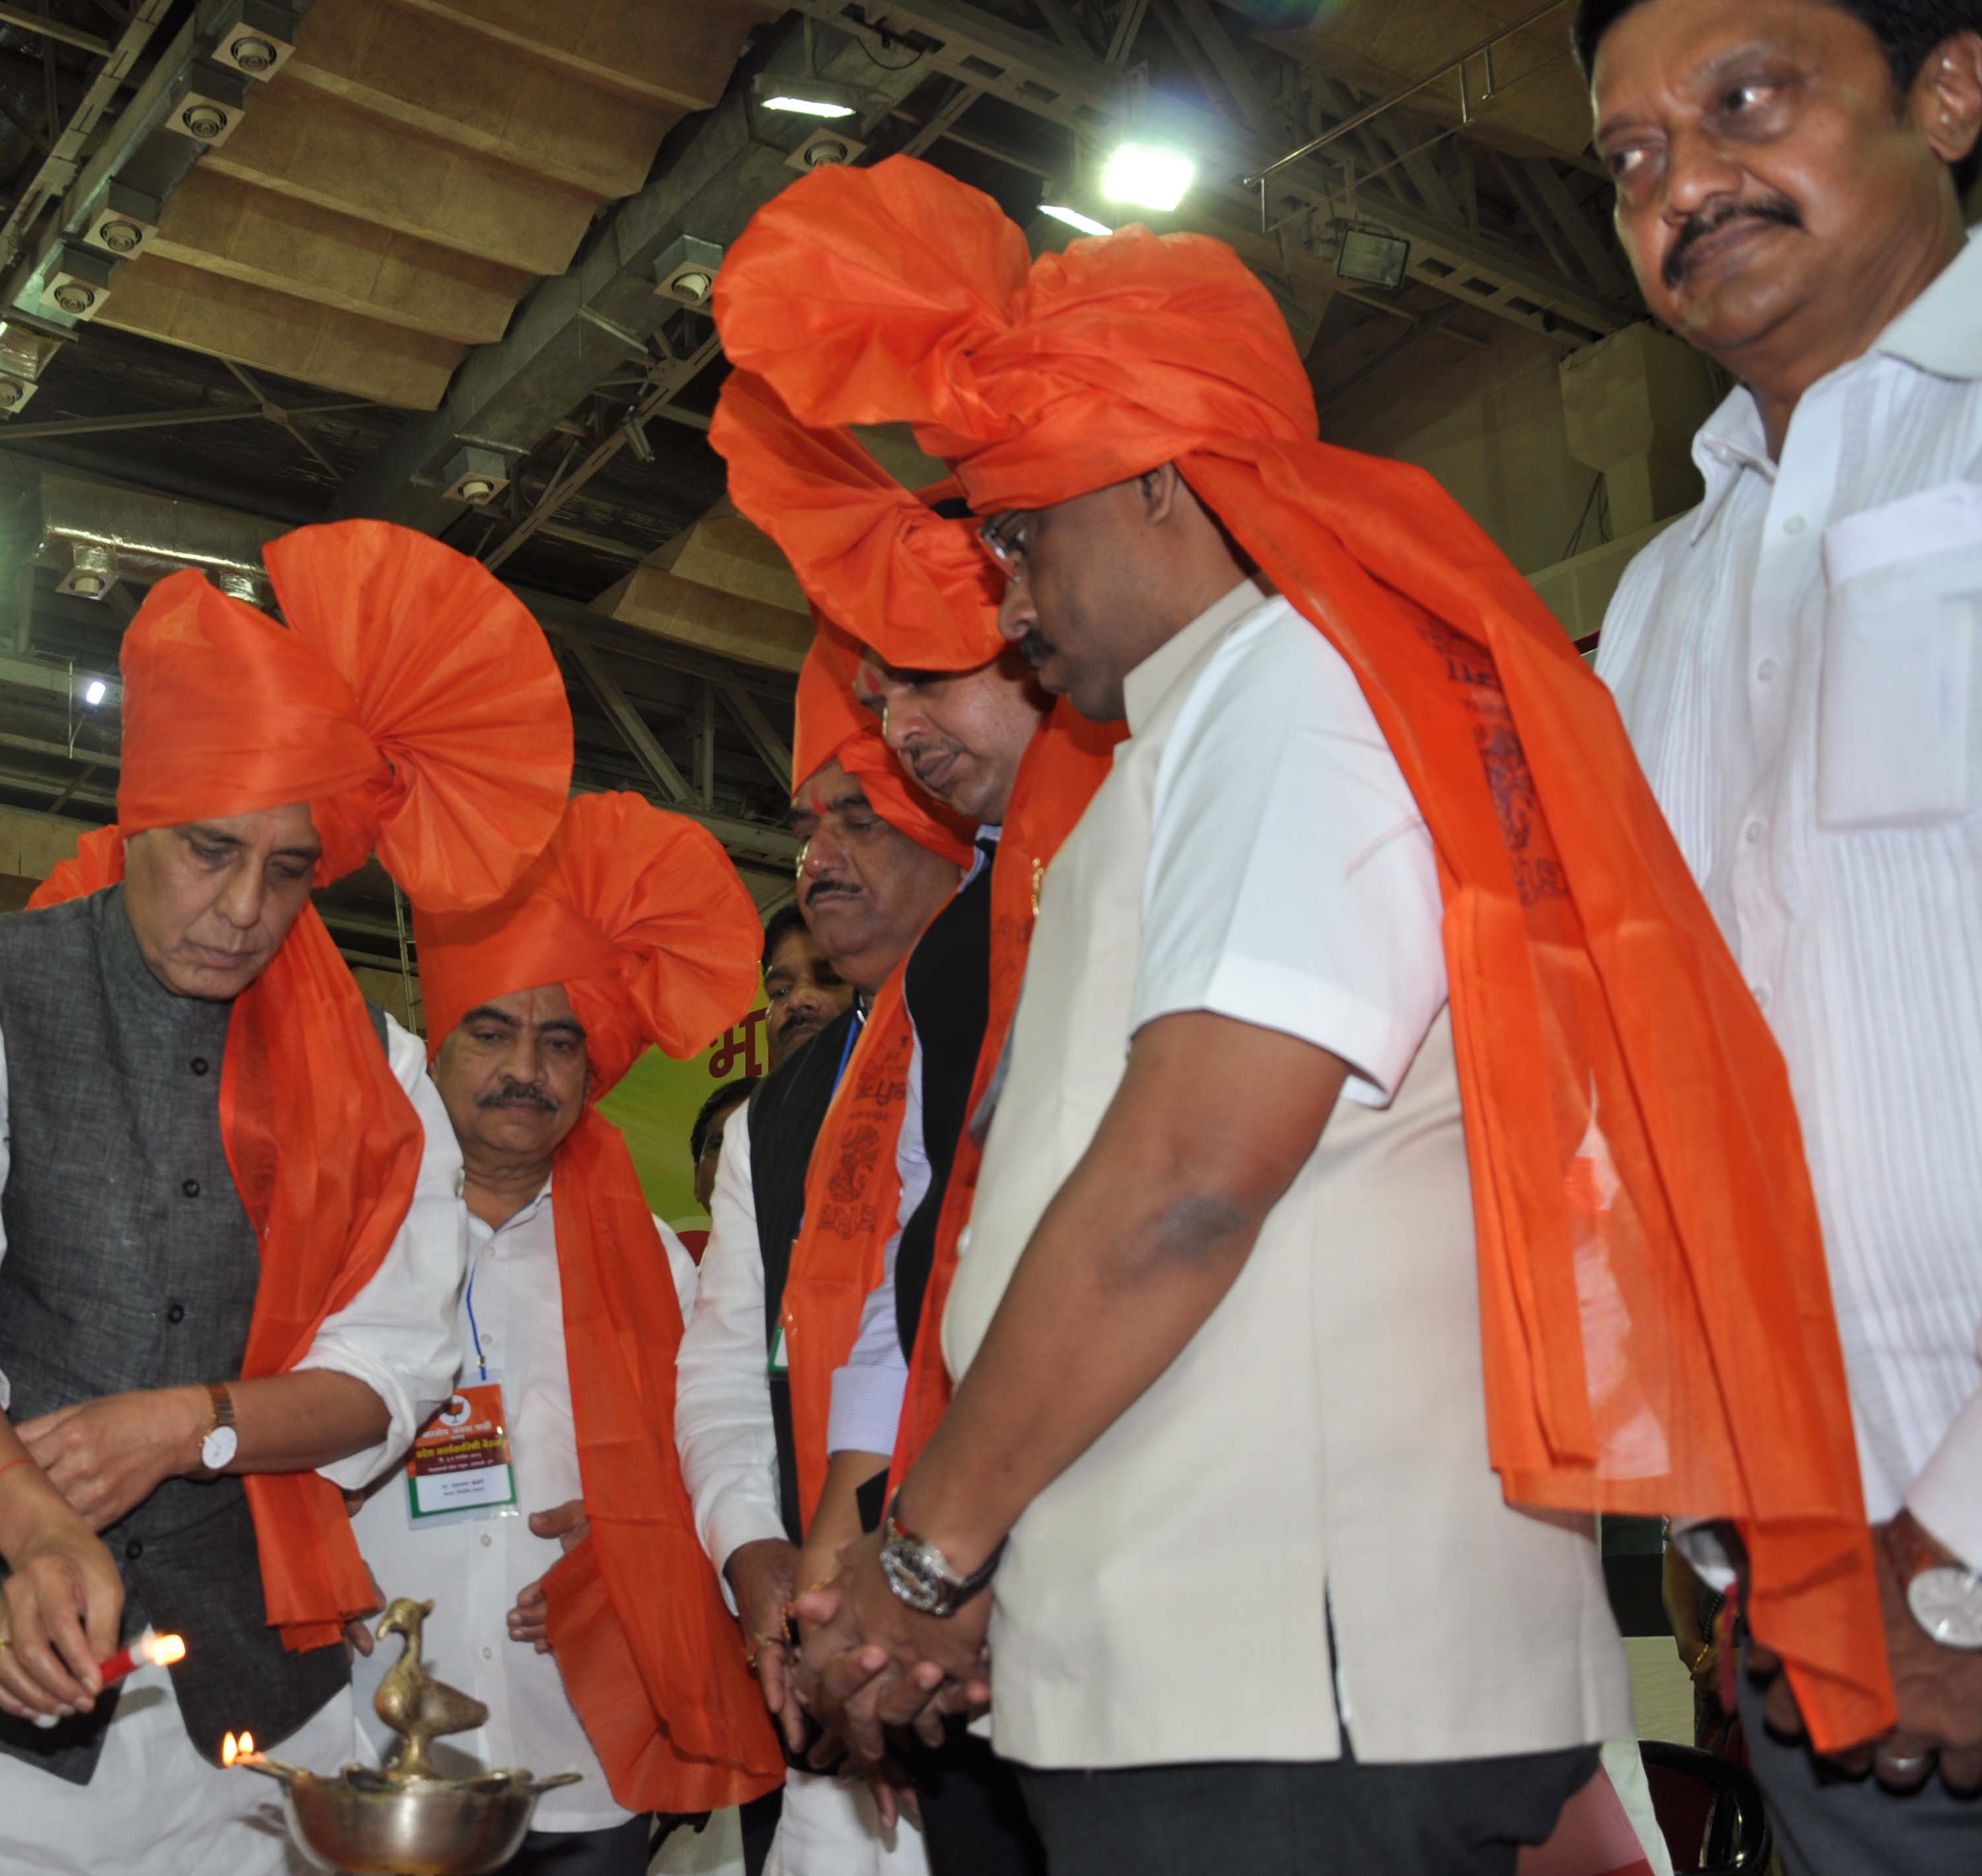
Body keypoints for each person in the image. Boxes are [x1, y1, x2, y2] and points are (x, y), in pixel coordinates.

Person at [713, 156, 1890, 1876]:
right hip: (1223, 1670)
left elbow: (1192, 1181)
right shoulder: (1191, 737)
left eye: (1028, 537)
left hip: (1301, 1692)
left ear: (1169, 489)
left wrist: (927, 1552)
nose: (1014, 598)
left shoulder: (1295, 696)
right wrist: (975, 1576)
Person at [0, 521, 574, 1876]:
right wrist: (29, 1522)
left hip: (220, 1720)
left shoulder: (377, 1070)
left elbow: (390, 1367)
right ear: (140, 814)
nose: (243, 907)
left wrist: (187, 1426)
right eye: (210, 851)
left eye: (288, 869)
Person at [1580, 0, 1982, 1854]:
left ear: (1952, 90)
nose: (1687, 185)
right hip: (1814, 1616)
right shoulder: (1659, 596)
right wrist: (1740, 1529)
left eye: (1743, 102)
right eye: (1633, 160)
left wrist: (1962, 1549)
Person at [713, 380, 1120, 1876]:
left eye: (928, 678)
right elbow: (907, 1282)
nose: (898, 724)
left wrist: (916, 1553)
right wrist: (845, 1559)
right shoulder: (962, 955)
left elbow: (1146, 1218)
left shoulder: (1123, 847)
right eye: (878, 687)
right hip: (954, 1555)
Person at [344, 791, 779, 1875]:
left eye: (557, 1041)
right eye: (490, 1031)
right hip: (362, 1732)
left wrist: (632, 1537)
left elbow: (717, 1457)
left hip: (579, 1744)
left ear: (592, 1070)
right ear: (434, 1047)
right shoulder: (338, 1236)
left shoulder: (656, 1265)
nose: (523, 1069)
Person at [675, 636, 970, 1876]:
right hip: (818, 1641)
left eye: (856, 821)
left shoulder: (1010, 1023)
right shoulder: (773, 1113)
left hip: (987, 1627)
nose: (815, 861)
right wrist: (761, 1565)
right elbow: (726, 1370)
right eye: (808, 827)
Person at [759, 904, 849, 1069]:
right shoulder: (763, 1095)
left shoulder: (911, 1088)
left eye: (828, 979)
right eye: (781, 991)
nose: (796, 999)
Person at [680, 1076, 759, 1261]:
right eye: (719, 1145)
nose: (735, 1157)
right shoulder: (671, 1287)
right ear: (697, 1178)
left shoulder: (833, 1280)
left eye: (754, 1140)